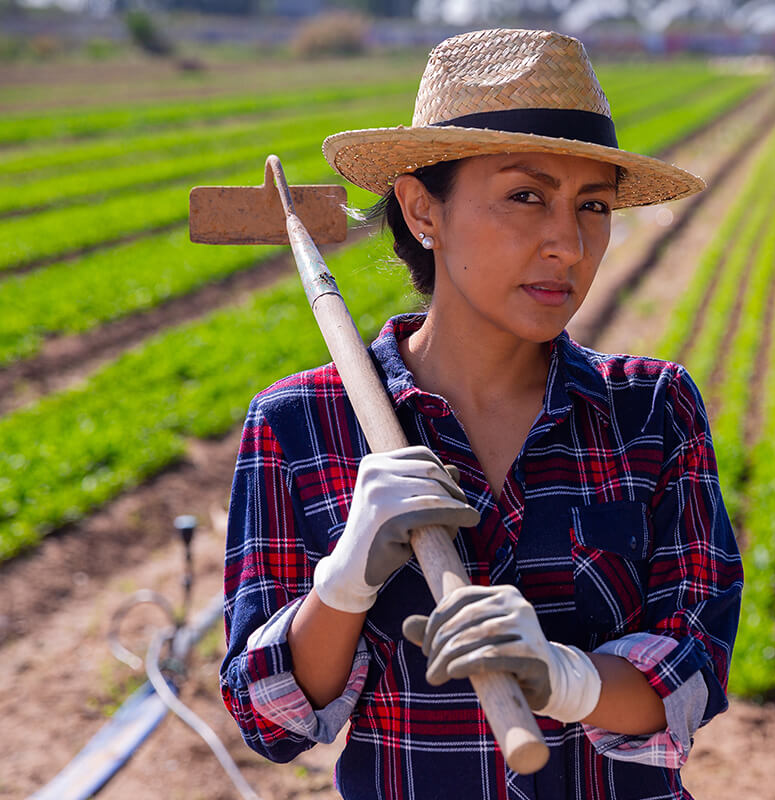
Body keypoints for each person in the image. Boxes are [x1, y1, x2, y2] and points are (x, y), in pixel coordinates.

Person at [219, 27, 743, 800]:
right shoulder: (301, 424)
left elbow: (693, 668)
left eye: (593, 205)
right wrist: (343, 584)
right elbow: (271, 720)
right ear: (422, 210)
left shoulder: (650, 411)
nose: (568, 244)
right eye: (526, 196)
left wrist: (564, 677)